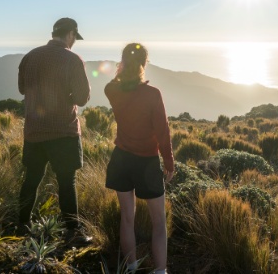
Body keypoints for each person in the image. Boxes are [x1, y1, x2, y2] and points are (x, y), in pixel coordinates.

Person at [18, 17, 90, 240]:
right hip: (63, 130)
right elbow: (82, 97)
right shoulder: (72, 59)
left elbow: (22, 89)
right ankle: (72, 230)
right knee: (67, 181)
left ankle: (22, 225)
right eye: (74, 38)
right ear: (70, 35)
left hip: (34, 129)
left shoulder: (30, 56)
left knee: (32, 178)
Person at [105, 43, 174, 274]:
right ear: (144, 64)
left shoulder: (111, 90)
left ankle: (131, 267)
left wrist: (121, 71)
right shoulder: (153, 94)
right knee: (158, 222)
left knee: (127, 218)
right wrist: (169, 162)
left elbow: (116, 83)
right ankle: (160, 270)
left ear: (122, 62)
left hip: (121, 160)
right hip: (147, 162)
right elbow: (163, 132)